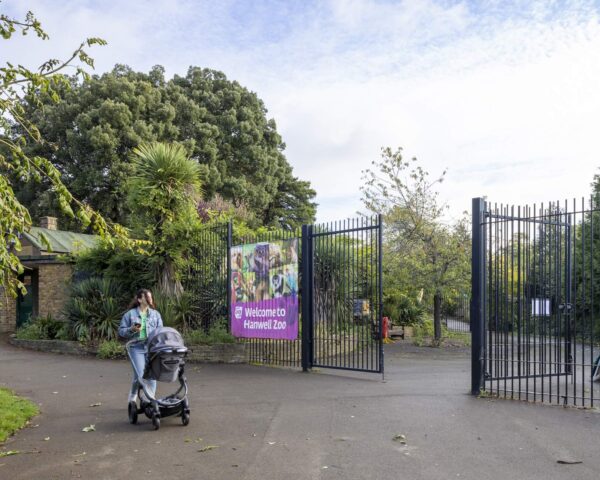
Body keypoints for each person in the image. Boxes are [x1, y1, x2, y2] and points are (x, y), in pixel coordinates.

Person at [118, 288, 163, 402]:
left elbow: (160, 331)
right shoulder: (130, 314)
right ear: (139, 299)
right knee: (140, 375)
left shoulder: (155, 315)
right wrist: (131, 329)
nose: (150, 299)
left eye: (150, 297)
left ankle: (150, 400)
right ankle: (133, 394)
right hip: (136, 348)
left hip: (151, 348)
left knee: (152, 375)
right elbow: (121, 331)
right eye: (146, 297)